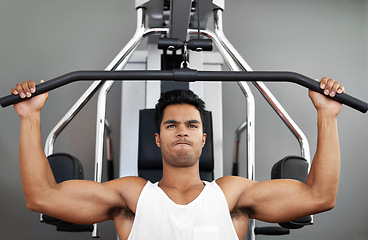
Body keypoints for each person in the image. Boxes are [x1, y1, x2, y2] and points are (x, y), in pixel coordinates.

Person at [11, 77, 344, 240]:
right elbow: (41, 197)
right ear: (157, 139)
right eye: (171, 125)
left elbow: (320, 196)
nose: (181, 131)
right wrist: (30, 117)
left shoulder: (232, 196)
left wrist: (327, 117)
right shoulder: (132, 197)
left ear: (203, 138)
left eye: (192, 125)